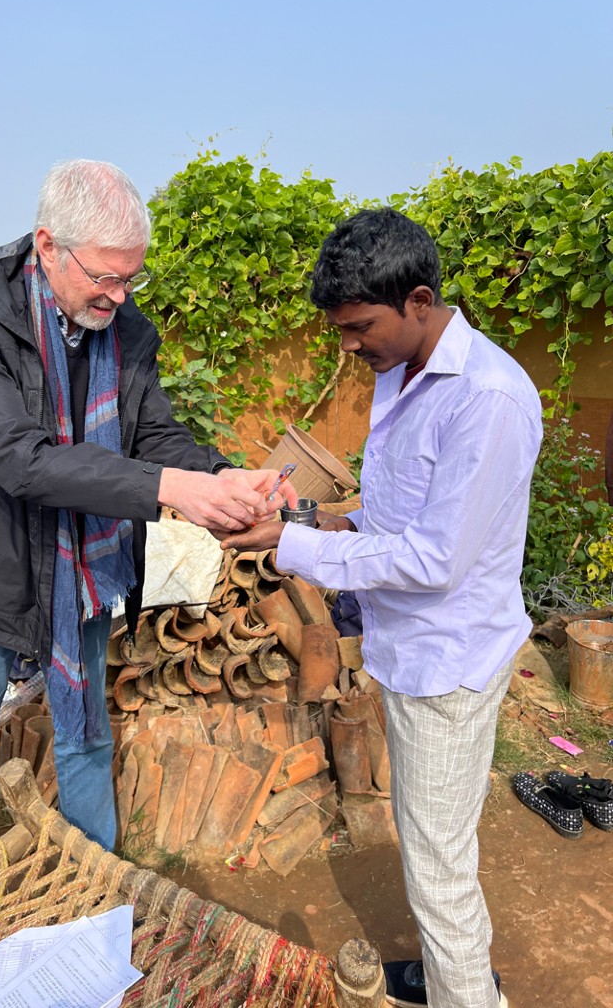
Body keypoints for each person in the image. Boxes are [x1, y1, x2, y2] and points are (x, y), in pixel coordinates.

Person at [0, 159, 296, 882]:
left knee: (86, 736)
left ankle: (96, 881)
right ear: (48, 245)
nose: (118, 296)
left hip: (82, 572)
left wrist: (217, 475)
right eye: (105, 277)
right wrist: (167, 486)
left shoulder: (124, 329)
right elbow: (18, 459)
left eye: (131, 279)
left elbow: (153, 435)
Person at [222, 208, 542, 1008]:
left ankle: (465, 996)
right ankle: (446, 978)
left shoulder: (487, 399)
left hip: (449, 661)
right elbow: (393, 520)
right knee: (430, 843)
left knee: (438, 870)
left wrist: (289, 549)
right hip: (414, 650)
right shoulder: (402, 375)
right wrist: (305, 522)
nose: (347, 346)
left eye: (359, 327)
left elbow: (433, 560)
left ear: (420, 300)